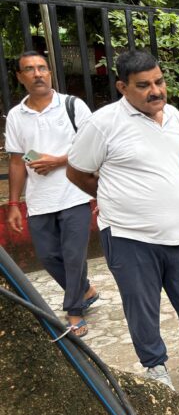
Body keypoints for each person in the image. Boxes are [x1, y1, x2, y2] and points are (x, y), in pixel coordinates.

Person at [66, 50, 179, 392]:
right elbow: (77, 171)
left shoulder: (173, 116)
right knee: (142, 309)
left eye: (159, 82)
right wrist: (111, 196)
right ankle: (156, 368)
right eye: (143, 85)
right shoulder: (103, 123)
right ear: (122, 87)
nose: (156, 91)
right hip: (129, 237)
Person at [5, 51, 99, 336]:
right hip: (39, 200)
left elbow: (94, 146)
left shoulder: (73, 106)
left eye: (42, 68)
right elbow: (17, 160)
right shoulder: (16, 115)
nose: (37, 74)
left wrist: (57, 161)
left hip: (75, 193)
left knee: (73, 257)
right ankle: (85, 290)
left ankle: (74, 311)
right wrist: (13, 203)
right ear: (20, 77)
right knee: (48, 257)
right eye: (29, 69)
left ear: (50, 72)